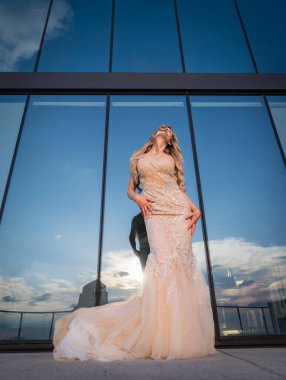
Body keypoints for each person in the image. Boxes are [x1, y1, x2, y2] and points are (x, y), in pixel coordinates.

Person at [52, 124, 219, 361]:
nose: (164, 128)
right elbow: (130, 190)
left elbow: (178, 188)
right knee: (162, 263)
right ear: (154, 133)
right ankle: (160, 334)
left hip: (178, 211)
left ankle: (181, 335)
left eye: (169, 129)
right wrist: (139, 199)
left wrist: (196, 209)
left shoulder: (172, 158)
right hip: (154, 212)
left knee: (181, 266)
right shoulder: (137, 158)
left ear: (171, 138)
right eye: (162, 126)